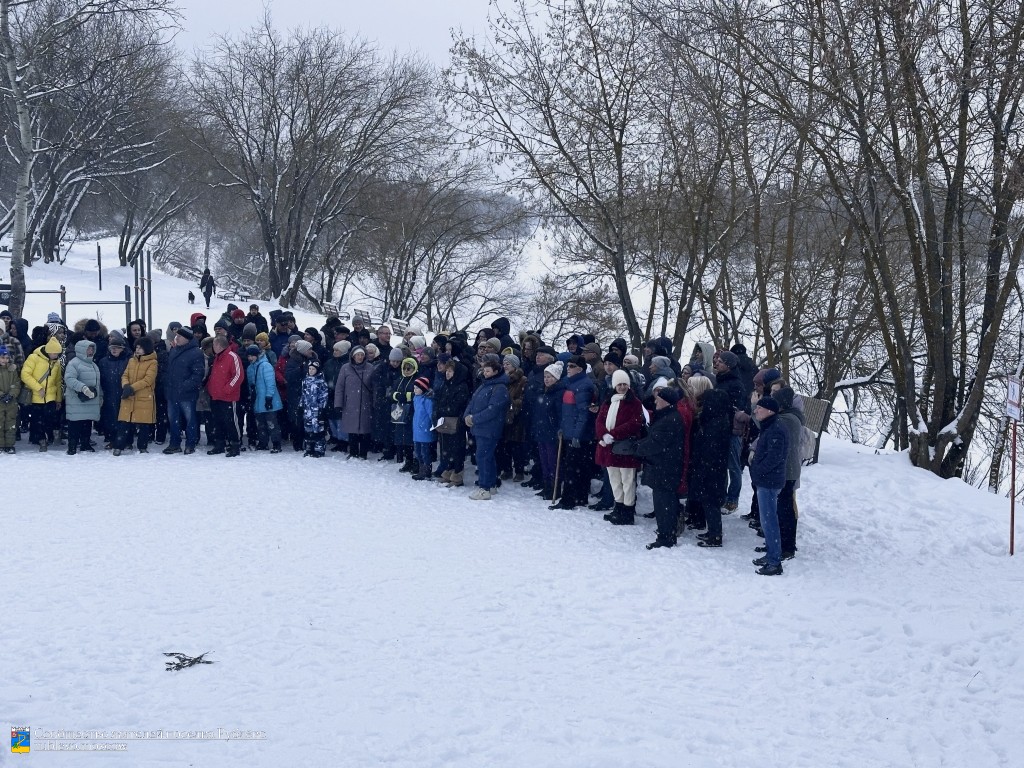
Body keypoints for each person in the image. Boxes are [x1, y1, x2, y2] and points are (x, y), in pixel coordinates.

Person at [634, 387, 686, 549]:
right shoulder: (668, 416)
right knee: (665, 502)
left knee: (664, 503)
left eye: (659, 398)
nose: (655, 401)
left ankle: (666, 536)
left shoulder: (669, 420)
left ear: (666, 401)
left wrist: (637, 448)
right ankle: (666, 533)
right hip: (664, 467)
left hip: (664, 468)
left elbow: (656, 443)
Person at [595, 369, 645, 525]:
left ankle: (628, 511)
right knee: (614, 479)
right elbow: (599, 421)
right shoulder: (608, 401)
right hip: (609, 447)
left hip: (625, 448)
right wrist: (603, 434)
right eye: (619, 384)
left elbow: (634, 423)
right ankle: (618, 507)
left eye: (625, 384)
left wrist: (614, 434)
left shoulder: (635, 402)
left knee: (627, 480)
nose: (622, 387)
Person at [749, 396, 789, 575]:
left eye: (759, 408)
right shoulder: (770, 426)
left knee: (769, 520)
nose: (756, 411)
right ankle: (771, 553)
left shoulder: (776, 430)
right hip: (766, 480)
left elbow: (774, 458)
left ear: (770, 411)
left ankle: (774, 562)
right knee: (767, 520)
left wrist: (757, 471)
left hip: (769, 481)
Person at [550, 355, 596, 510]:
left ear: (580, 369)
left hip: (578, 436)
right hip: (570, 431)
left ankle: (569, 499)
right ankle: (579, 497)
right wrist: (563, 427)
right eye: (567, 365)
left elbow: (583, 414)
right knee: (575, 467)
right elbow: (568, 412)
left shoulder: (583, 385)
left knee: (573, 468)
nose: (567, 368)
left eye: (571, 366)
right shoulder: (571, 384)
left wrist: (577, 434)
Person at [690, 387, 734, 547]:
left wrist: (702, 464)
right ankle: (713, 531)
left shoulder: (715, 423)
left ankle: (715, 535)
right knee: (710, 501)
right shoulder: (720, 419)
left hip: (711, 469)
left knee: (711, 502)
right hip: (713, 468)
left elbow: (710, 448)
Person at [464, 358, 510, 500]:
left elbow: (493, 410)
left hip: (490, 428)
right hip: (480, 428)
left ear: (496, 372)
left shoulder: (500, 388)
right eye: (484, 370)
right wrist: (467, 415)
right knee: (486, 456)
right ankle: (490, 484)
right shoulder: (484, 385)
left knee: (483, 457)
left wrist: (474, 418)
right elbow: (473, 401)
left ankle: (484, 487)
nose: (485, 373)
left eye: (488, 371)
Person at [163, 327, 205, 455]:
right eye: (176, 336)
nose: (177, 338)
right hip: (172, 392)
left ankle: (190, 444)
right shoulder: (174, 350)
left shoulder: (196, 352)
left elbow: (198, 374)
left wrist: (185, 386)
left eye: (180, 336)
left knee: (190, 419)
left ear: (187, 338)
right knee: (173, 419)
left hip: (187, 393)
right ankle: (174, 444)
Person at [114, 336, 158, 455]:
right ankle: (119, 446)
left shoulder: (153, 362)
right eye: (137, 347)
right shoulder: (131, 360)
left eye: (140, 348)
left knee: (143, 424)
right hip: (128, 396)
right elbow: (125, 375)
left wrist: (132, 388)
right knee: (124, 422)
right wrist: (126, 385)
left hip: (144, 397)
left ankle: (142, 446)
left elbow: (148, 380)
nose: (137, 350)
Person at [434, 358, 472, 487]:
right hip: (445, 421)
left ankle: (457, 473)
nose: (447, 373)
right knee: (447, 448)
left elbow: (456, 405)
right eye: (447, 371)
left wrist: (443, 410)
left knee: (457, 449)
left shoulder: (461, 386)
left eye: (450, 371)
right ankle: (449, 470)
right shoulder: (446, 384)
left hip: (456, 422)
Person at [21, 337, 63, 450]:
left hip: (50, 397)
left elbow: (58, 381)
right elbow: (25, 374)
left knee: (49, 419)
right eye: (55, 353)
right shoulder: (34, 358)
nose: (57, 356)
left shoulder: (57, 362)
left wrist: (58, 399)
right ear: (50, 351)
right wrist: (38, 388)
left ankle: (48, 438)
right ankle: (41, 440)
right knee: (37, 421)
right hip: (36, 397)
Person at [206, 335, 244, 457]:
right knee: (218, 421)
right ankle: (220, 444)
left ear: (218, 345)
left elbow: (238, 375)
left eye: (214, 345)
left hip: (228, 396)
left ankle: (235, 444)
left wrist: (227, 389)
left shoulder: (232, 357)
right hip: (216, 395)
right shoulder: (217, 358)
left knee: (231, 421)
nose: (212, 347)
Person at [63, 339, 102, 455]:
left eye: (92, 348)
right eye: (89, 348)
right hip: (77, 400)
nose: (91, 350)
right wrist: (83, 388)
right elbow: (69, 379)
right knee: (74, 425)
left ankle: (85, 444)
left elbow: (98, 383)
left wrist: (100, 396)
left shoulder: (93, 365)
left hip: (90, 400)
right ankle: (72, 446)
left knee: (87, 423)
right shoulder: (74, 363)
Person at [335, 345, 374, 459]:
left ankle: (363, 453)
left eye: (362, 355)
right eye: (358, 355)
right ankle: (353, 452)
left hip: (366, 403)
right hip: (350, 404)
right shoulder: (345, 368)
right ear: (353, 356)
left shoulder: (370, 368)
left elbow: (374, 386)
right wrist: (338, 403)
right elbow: (340, 387)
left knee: (365, 430)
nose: (360, 357)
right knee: (351, 430)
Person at [246, 344, 283, 453]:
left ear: (257, 355)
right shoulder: (250, 368)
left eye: (252, 356)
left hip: (267, 399)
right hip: (257, 400)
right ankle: (263, 442)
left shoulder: (265, 366)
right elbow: (251, 384)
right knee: (260, 423)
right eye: (249, 356)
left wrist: (269, 397)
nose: (250, 358)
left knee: (272, 423)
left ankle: (276, 443)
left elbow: (270, 383)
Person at [97, 331, 130, 446]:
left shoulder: (128, 361)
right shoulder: (103, 362)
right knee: (110, 418)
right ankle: (112, 439)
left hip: (124, 393)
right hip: (109, 393)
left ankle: (126, 440)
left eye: (117, 348)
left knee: (124, 418)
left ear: (122, 348)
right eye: (112, 347)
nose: (114, 350)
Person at [300, 358, 329, 457]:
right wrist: (301, 406)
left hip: (317, 411)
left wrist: (322, 409)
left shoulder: (321, 382)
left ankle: (319, 450)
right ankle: (309, 448)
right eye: (310, 369)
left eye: (313, 369)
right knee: (308, 430)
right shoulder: (305, 381)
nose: (311, 371)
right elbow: (303, 395)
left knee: (318, 431)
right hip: (307, 410)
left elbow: (324, 396)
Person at [411, 376, 436, 480]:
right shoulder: (416, 399)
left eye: (417, 388)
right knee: (418, 452)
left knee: (425, 452)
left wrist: (432, 425)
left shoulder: (427, 401)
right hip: (417, 430)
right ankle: (422, 470)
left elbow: (431, 414)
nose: (415, 390)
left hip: (425, 430)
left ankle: (426, 471)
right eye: (414, 388)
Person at [0, 345, 22, 453]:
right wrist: (2, 395)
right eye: (2, 357)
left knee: (11, 424)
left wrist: (11, 395)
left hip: (11, 402)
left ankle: (9, 445)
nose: (5, 360)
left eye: (6, 358)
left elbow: (17, 384)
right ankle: (0, 445)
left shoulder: (12, 370)